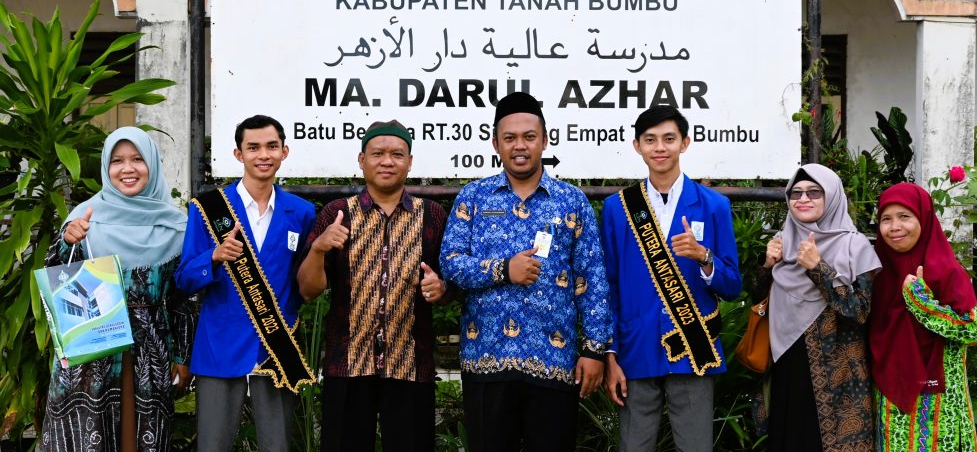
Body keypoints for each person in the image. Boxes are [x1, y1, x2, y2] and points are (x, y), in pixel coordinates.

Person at [440, 92, 612, 452]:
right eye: (510, 138)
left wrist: (594, 351)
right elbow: (451, 264)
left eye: (529, 137)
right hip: (486, 360)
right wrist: (504, 269)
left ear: (545, 140)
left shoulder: (571, 200)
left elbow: (591, 277)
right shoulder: (474, 198)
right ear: (496, 144)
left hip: (554, 361)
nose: (520, 146)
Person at [296, 120, 453, 452]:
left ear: (410, 162)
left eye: (397, 154)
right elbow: (308, 290)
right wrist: (319, 247)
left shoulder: (433, 215)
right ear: (361, 159)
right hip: (348, 364)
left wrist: (441, 289)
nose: (387, 161)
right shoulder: (337, 214)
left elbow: (451, 284)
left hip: (410, 364)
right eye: (377, 153)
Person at [39, 127, 195, 452]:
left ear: (152, 164)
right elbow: (57, 283)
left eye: (138, 159)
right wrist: (67, 241)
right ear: (106, 169)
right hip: (91, 357)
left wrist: (183, 356)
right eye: (117, 161)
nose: (127, 169)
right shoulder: (84, 219)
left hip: (149, 357)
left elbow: (181, 298)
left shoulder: (178, 226)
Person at [600, 106, 741, 452]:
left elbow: (733, 284)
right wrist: (610, 353)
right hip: (635, 349)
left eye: (668, 139)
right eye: (650, 140)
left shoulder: (713, 206)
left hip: (693, 347)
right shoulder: (618, 208)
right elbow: (608, 287)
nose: (659, 147)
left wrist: (704, 258)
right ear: (637, 146)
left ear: (685, 143)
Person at [175, 115, 316, 452]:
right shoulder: (208, 209)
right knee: (212, 445)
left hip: (276, 346)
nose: (262, 155)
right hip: (220, 345)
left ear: (284, 151)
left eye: (271, 146)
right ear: (238, 155)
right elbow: (183, 281)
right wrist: (213, 257)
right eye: (253, 147)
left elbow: (305, 281)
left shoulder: (302, 212)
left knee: (277, 445)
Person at [761, 163, 880, 452]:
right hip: (787, 361)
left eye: (814, 192)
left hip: (838, 373)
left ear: (832, 196)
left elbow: (860, 311)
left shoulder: (856, 246)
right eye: (796, 193)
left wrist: (818, 268)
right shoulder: (781, 242)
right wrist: (767, 266)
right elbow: (760, 299)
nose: (803, 199)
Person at [869, 183, 977, 452]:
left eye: (905, 217)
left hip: (940, 400)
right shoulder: (877, 271)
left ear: (924, 218)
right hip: (890, 396)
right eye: (886, 219)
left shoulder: (946, 270)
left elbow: (971, 329)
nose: (894, 226)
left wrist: (920, 302)